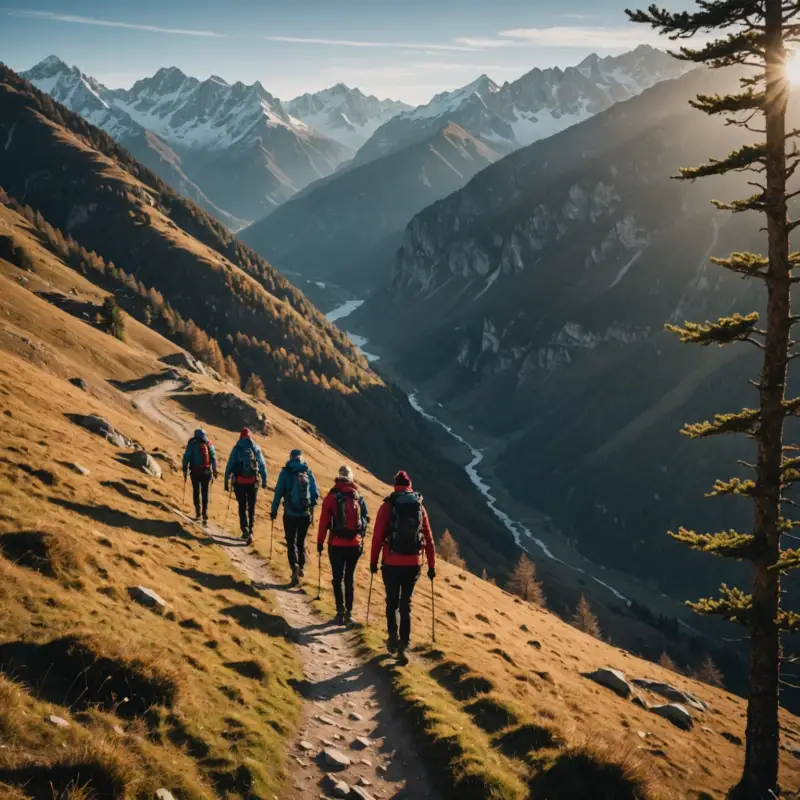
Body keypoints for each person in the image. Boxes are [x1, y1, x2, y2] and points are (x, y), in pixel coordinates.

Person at [370, 470, 435, 665]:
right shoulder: (419, 507)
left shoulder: (387, 506)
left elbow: (377, 537)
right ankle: (404, 645)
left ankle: (392, 638)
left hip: (391, 562)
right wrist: (431, 565)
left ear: (395, 485)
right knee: (406, 604)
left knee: (392, 601)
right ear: (410, 485)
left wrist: (373, 562)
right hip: (413, 563)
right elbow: (429, 538)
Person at [317, 465, 369, 625]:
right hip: (354, 544)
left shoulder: (332, 496)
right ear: (351, 478)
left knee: (337, 577)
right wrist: (361, 536)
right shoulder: (358, 496)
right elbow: (365, 520)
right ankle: (349, 613)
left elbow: (324, 522)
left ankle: (339, 612)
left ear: (338, 477)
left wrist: (320, 542)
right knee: (350, 578)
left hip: (336, 544)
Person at [271, 448, 319, 585]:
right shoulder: (308, 472)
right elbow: (316, 495)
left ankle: (294, 568)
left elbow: (278, 492)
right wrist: (310, 505)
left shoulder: (286, 472)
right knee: (301, 541)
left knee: (291, 542)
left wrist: (274, 510)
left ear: (291, 458)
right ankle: (302, 566)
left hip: (290, 513)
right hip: (305, 515)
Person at [224, 428, 267, 544]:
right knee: (252, 507)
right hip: (253, 482)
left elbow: (229, 465)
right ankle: (251, 531)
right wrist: (264, 481)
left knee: (242, 506)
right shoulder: (256, 448)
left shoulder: (237, 448)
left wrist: (226, 481)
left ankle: (245, 530)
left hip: (239, 482)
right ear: (250, 436)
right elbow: (262, 466)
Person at [182, 428, 217, 525]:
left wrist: (184, 467)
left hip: (195, 472)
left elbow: (187, 456)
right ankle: (205, 512)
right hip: (207, 472)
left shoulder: (192, 443)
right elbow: (214, 458)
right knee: (205, 491)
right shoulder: (209, 444)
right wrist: (214, 470)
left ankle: (198, 512)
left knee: (196, 490)